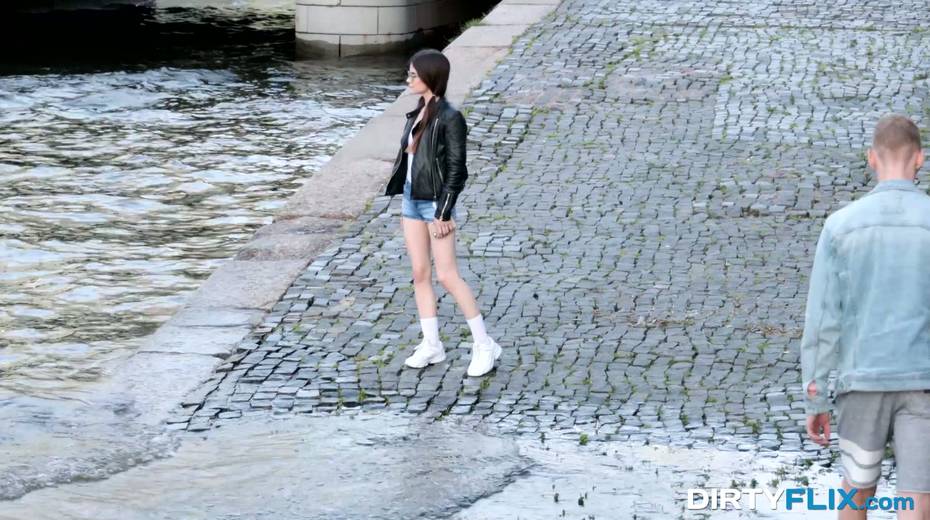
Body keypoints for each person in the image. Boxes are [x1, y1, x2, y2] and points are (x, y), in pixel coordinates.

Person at [802, 114, 930, 519]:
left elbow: (823, 321)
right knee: (918, 499)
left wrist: (816, 396)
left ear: (871, 158)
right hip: (923, 381)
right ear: (920, 159)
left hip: (861, 382)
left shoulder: (840, 227)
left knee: (856, 491)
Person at [383, 49, 502, 377]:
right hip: (411, 200)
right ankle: (432, 344)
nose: (408, 79)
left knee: (448, 276)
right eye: (408, 74)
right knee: (420, 273)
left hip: (435, 204)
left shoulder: (450, 118)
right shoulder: (417, 113)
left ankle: (484, 345)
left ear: (430, 77)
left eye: (413, 75)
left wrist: (444, 213)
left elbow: (457, 170)